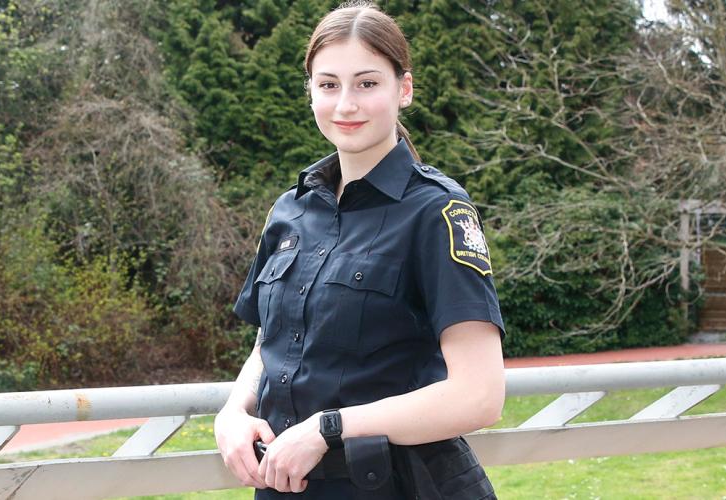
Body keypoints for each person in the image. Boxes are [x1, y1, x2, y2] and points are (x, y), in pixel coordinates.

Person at [212, 1, 506, 498]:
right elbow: (274, 341)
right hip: (287, 485)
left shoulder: (436, 212)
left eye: (367, 83)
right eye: (328, 85)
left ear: (403, 90)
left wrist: (330, 427)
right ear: (310, 93)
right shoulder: (290, 211)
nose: (346, 104)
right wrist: (233, 412)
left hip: (396, 484)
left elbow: (479, 396)